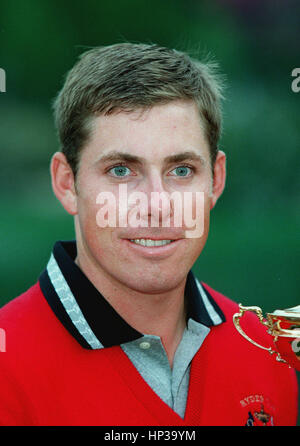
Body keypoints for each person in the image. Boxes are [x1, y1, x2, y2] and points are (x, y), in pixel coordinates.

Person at [0, 43, 297, 426]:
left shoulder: (265, 351)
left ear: (216, 179)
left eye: (182, 170)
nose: (157, 205)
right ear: (67, 182)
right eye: (122, 170)